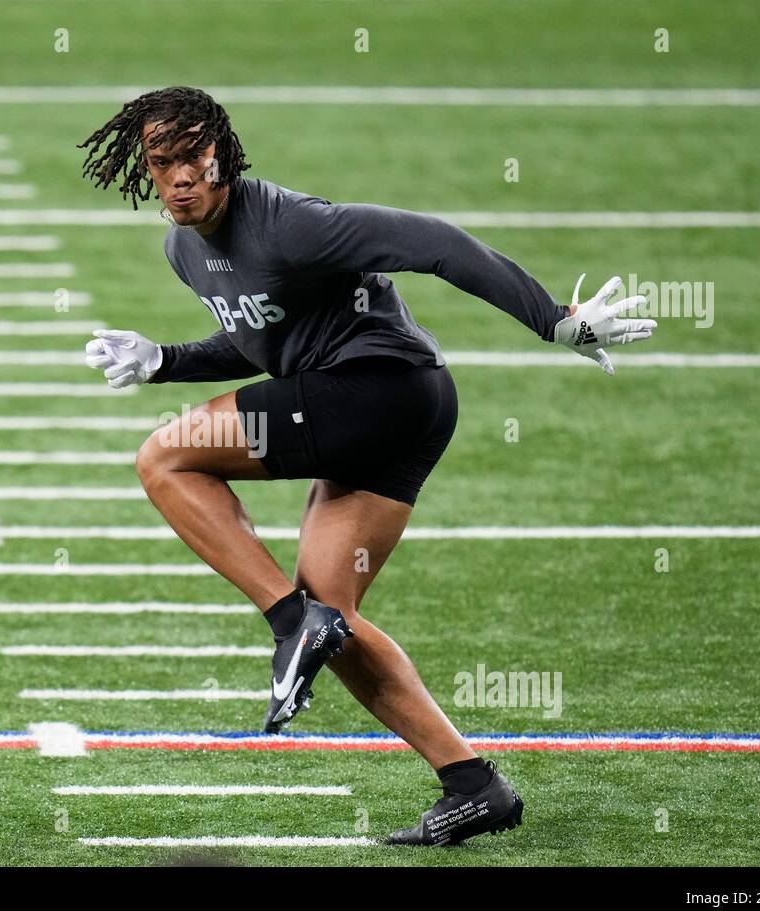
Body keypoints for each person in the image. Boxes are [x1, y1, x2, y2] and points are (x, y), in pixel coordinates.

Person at [80, 86, 653, 846]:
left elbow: (440, 243)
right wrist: (164, 360)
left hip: (378, 394)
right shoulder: (184, 250)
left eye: (192, 157)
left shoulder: (288, 222)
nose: (179, 176)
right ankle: (474, 784)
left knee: (164, 459)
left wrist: (554, 318)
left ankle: (289, 623)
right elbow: (267, 342)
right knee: (337, 617)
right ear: (146, 170)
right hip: (390, 409)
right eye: (163, 162)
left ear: (220, 155)